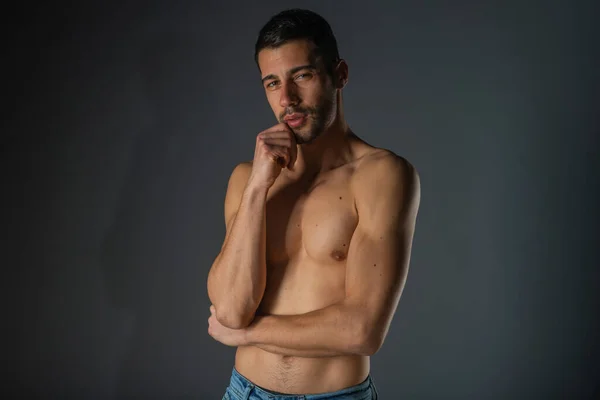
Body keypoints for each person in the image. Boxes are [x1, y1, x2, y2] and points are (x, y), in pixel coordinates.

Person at [207, 8, 420, 400]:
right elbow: (230, 310)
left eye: (301, 75)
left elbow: (362, 330)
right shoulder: (246, 179)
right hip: (244, 393)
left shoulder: (381, 176)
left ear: (340, 74)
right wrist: (257, 187)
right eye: (272, 83)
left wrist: (248, 334)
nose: (287, 99)